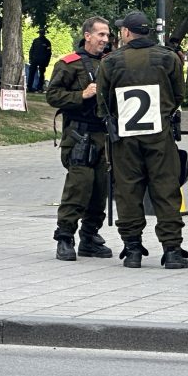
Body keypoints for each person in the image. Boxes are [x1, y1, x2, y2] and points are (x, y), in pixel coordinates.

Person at [96, 10, 187, 269]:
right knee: (166, 190)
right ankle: (172, 250)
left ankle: (132, 249)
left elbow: (103, 101)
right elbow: (179, 94)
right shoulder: (168, 58)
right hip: (160, 134)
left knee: (128, 191)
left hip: (125, 136)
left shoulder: (111, 61)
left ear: (126, 32)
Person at [46, 17, 113, 261]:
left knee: (100, 190)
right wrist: (81, 95)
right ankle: (65, 237)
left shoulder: (110, 63)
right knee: (78, 187)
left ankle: (90, 236)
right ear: (87, 35)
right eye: (101, 35)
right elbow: (53, 95)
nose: (105, 40)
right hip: (79, 135)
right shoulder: (69, 64)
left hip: (104, 135)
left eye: (107, 36)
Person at [27, 27, 52, 92]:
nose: (41, 34)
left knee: (41, 74)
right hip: (34, 60)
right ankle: (29, 87)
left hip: (42, 61)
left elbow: (49, 52)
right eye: (40, 33)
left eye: (42, 33)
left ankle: (39, 87)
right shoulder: (35, 41)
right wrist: (30, 58)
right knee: (31, 73)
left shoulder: (47, 42)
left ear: (43, 34)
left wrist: (47, 62)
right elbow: (31, 50)